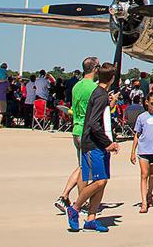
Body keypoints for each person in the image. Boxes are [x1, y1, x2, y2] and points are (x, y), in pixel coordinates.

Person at [67, 62, 119, 233]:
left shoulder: (100, 94)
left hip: (96, 142)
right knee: (100, 181)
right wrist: (108, 143)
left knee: (102, 181)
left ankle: (91, 218)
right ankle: (74, 208)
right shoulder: (100, 95)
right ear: (112, 78)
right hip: (93, 143)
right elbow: (94, 124)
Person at [57, 56, 98, 212]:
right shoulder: (93, 88)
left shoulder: (76, 86)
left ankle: (67, 197)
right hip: (88, 132)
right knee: (86, 169)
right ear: (95, 68)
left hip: (76, 129)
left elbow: (73, 109)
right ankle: (75, 199)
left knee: (82, 166)